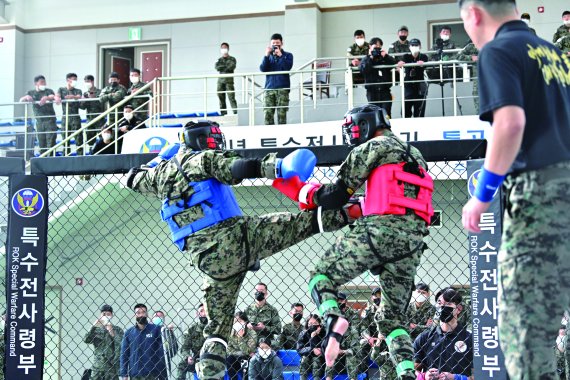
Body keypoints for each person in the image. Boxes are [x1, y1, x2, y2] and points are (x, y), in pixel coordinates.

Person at [124, 120, 355, 379]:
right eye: (212, 138)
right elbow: (239, 167)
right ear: (200, 141)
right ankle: (356, 211)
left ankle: (210, 376)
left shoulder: (159, 176)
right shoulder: (202, 159)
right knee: (300, 223)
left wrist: (159, 160)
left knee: (216, 333)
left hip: (208, 262)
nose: (216, 143)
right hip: (236, 239)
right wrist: (280, 167)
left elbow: (131, 178)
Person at [273, 104, 433, 380]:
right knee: (393, 321)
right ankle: (407, 373)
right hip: (413, 241)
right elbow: (393, 192)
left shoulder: (371, 148)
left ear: (366, 125)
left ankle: (333, 318)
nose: (351, 134)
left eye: (353, 127)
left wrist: (306, 193)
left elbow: (335, 194)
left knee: (320, 276)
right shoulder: (415, 154)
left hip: (380, 230)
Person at [459, 0, 570, 378]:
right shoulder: (555, 54)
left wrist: (482, 195)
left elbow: (508, 125)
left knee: (527, 336)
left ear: (473, 13)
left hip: (541, 197)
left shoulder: (498, 50)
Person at [413, 288, 473, 380]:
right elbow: (412, 369)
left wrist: (456, 378)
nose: (442, 307)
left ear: (459, 309)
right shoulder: (424, 338)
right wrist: (424, 376)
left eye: (448, 303)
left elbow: (480, 374)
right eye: (440, 303)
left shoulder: (469, 338)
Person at [120, 303, 166, 380]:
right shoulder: (129, 333)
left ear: (147, 314)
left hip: (152, 374)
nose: (141, 315)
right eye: (138, 313)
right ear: (135, 315)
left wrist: (168, 332)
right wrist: (124, 373)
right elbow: (124, 354)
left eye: (143, 312)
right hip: (135, 374)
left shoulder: (156, 329)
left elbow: (164, 350)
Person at [259, 33, 294, 125]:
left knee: (282, 115)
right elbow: (263, 69)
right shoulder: (268, 56)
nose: (275, 45)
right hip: (269, 88)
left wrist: (281, 56)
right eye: (273, 43)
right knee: (268, 114)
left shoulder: (288, 55)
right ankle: (269, 136)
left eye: (277, 43)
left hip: (282, 89)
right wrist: (266, 56)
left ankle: (282, 136)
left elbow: (287, 68)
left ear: (281, 43)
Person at [19, 75, 57, 155]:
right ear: (36, 83)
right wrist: (26, 97)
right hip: (39, 122)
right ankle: (43, 162)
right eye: (42, 82)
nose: (44, 84)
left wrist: (47, 98)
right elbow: (21, 101)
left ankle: (51, 162)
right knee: (41, 144)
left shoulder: (48, 91)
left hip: (50, 121)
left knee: (51, 143)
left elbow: (53, 96)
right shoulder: (31, 92)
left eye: (45, 82)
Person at [84, 304, 124, 380]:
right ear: (100, 315)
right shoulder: (96, 329)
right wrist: (93, 326)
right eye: (104, 314)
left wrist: (111, 332)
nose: (106, 316)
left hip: (112, 367)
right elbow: (86, 340)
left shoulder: (118, 330)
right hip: (98, 367)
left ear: (112, 315)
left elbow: (121, 345)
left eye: (108, 314)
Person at [360, 37, 397, 118]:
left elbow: (394, 63)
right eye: (375, 47)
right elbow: (363, 69)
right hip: (372, 92)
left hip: (385, 91)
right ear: (370, 47)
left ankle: (387, 130)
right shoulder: (366, 59)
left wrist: (386, 56)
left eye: (379, 48)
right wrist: (371, 57)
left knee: (386, 114)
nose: (377, 49)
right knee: (374, 115)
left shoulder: (384, 57)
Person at [397, 39, 429, 118]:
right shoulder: (406, 56)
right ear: (409, 47)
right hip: (408, 86)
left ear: (420, 46)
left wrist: (423, 64)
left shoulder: (424, 56)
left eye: (416, 45)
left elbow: (427, 66)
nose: (414, 47)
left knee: (419, 113)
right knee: (405, 112)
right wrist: (399, 64)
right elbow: (399, 64)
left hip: (420, 87)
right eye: (412, 45)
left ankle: (418, 130)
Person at [177, 304, 208, 380]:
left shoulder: (215, 327)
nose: (204, 313)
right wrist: (188, 356)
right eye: (201, 311)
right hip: (197, 358)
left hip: (213, 357)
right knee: (182, 365)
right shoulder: (191, 330)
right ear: (197, 314)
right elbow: (184, 348)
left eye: (206, 311)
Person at [55, 73, 83, 155]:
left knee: (79, 140)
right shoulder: (61, 89)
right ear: (68, 80)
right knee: (65, 140)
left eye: (76, 79)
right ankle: (66, 158)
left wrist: (72, 97)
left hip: (75, 117)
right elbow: (57, 96)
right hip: (65, 118)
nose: (75, 81)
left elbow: (79, 96)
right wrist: (57, 98)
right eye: (73, 79)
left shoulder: (78, 90)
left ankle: (81, 158)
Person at [227, 311, 257, 380]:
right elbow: (228, 349)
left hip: (247, 359)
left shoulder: (252, 333)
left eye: (239, 321)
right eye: (235, 321)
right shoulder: (231, 333)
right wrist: (241, 353)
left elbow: (250, 350)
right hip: (235, 358)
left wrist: (240, 338)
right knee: (229, 360)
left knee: (247, 360)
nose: (237, 323)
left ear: (245, 322)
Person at [151, 310, 179, 380]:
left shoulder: (167, 331)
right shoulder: (148, 331)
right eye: (156, 316)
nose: (158, 318)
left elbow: (174, 349)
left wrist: (170, 332)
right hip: (150, 364)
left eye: (160, 316)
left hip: (164, 365)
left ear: (163, 319)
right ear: (152, 319)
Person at [80, 75, 105, 148]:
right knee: (90, 140)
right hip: (90, 119)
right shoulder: (85, 93)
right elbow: (82, 107)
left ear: (92, 81)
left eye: (88, 81)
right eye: (85, 82)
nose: (87, 83)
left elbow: (103, 104)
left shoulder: (100, 91)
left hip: (99, 119)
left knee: (102, 138)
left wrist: (94, 98)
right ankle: (92, 151)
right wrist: (84, 100)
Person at [297, 314, 326, 380]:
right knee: (304, 359)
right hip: (307, 360)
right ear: (307, 324)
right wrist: (312, 349)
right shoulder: (303, 333)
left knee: (316, 359)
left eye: (315, 323)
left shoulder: (324, 333)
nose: (313, 325)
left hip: (320, 361)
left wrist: (314, 336)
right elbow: (299, 349)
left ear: (319, 324)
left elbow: (323, 349)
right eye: (310, 323)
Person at [455, 41, 479, 113]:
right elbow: (458, 56)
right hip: (478, 77)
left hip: (493, 76)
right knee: (477, 94)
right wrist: (471, 57)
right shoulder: (472, 46)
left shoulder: (493, 43)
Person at [215, 42, 238, 116]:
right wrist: (225, 67)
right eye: (222, 48)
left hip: (229, 81)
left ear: (228, 49)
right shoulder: (219, 59)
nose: (223, 49)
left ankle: (236, 113)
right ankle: (223, 113)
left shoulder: (232, 59)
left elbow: (231, 67)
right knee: (221, 98)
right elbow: (217, 67)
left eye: (225, 47)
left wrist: (223, 67)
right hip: (220, 81)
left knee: (231, 97)